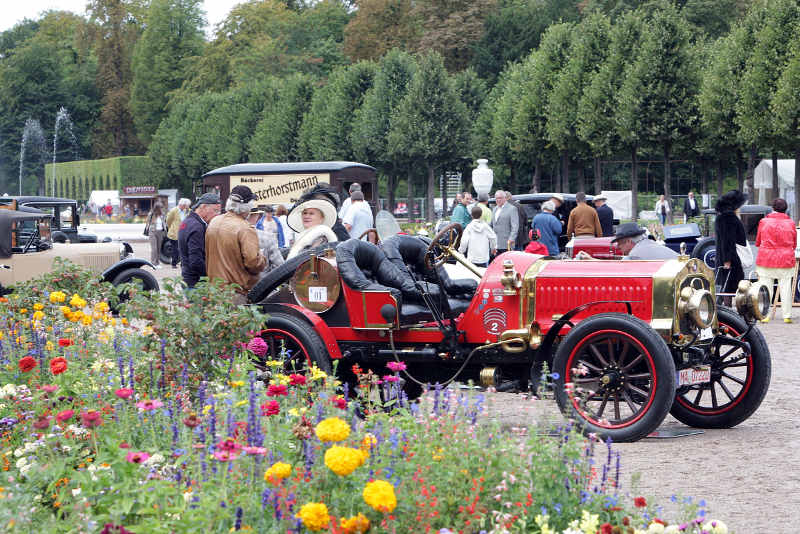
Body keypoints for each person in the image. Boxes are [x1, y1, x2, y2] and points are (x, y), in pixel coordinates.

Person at [205, 185, 266, 303]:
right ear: (247, 207)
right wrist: (263, 259)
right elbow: (253, 263)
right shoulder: (245, 228)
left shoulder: (214, 222)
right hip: (236, 293)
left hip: (214, 291)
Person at [755, 197, 797, 323]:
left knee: (766, 288)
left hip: (766, 258)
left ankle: (765, 315)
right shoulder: (791, 223)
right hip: (785, 259)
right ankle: (787, 315)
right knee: (785, 287)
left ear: (772, 208)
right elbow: (794, 244)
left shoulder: (764, 222)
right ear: (786, 209)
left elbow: (758, 241)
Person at [178, 192, 220, 289]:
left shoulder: (188, 221)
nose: (217, 215)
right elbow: (196, 261)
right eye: (215, 210)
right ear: (204, 207)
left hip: (188, 279)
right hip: (196, 284)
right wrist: (212, 276)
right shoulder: (197, 227)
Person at [715, 190, 748, 299]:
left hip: (725, 256)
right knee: (732, 288)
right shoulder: (729, 218)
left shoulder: (722, 216)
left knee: (726, 287)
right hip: (731, 258)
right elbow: (728, 240)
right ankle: (729, 313)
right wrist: (727, 261)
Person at [286, 193, 339, 258]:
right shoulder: (303, 235)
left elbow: (312, 259)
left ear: (321, 219)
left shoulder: (323, 236)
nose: (306, 216)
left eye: (311, 213)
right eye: (305, 213)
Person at [611, 222, 678, 260]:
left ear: (629, 241)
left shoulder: (634, 256)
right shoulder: (650, 243)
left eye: (619, 243)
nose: (617, 247)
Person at [249, 208, 285, 273]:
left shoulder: (277, 221)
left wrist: (281, 243)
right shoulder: (261, 224)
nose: (269, 214)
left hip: (274, 243)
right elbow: (280, 266)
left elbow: (281, 233)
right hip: (262, 278)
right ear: (256, 216)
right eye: (268, 212)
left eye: (270, 213)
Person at [166, 198, 190, 268]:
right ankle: (174, 264)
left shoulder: (187, 211)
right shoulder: (173, 211)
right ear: (181, 205)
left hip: (184, 233)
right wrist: (172, 228)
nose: (186, 207)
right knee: (175, 249)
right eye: (186, 206)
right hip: (174, 234)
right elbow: (168, 221)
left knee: (183, 249)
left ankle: (183, 263)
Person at [492, 190, 519, 254]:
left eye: (500, 198)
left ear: (505, 198)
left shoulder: (512, 209)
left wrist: (511, 239)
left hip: (507, 243)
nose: (498, 200)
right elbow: (492, 224)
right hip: (495, 244)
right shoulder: (494, 209)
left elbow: (515, 226)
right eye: (496, 198)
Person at [144, 202, 166, 269]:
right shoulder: (151, 214)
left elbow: (164, 223)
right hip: (152, 232)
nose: (162, 209)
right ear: (157, 208)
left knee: (159, 248)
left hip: (160, 232)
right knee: (154, 249)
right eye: (161, 207)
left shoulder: (163, 214)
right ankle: (153, 263)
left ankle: (157, 263)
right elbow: (147, 222)